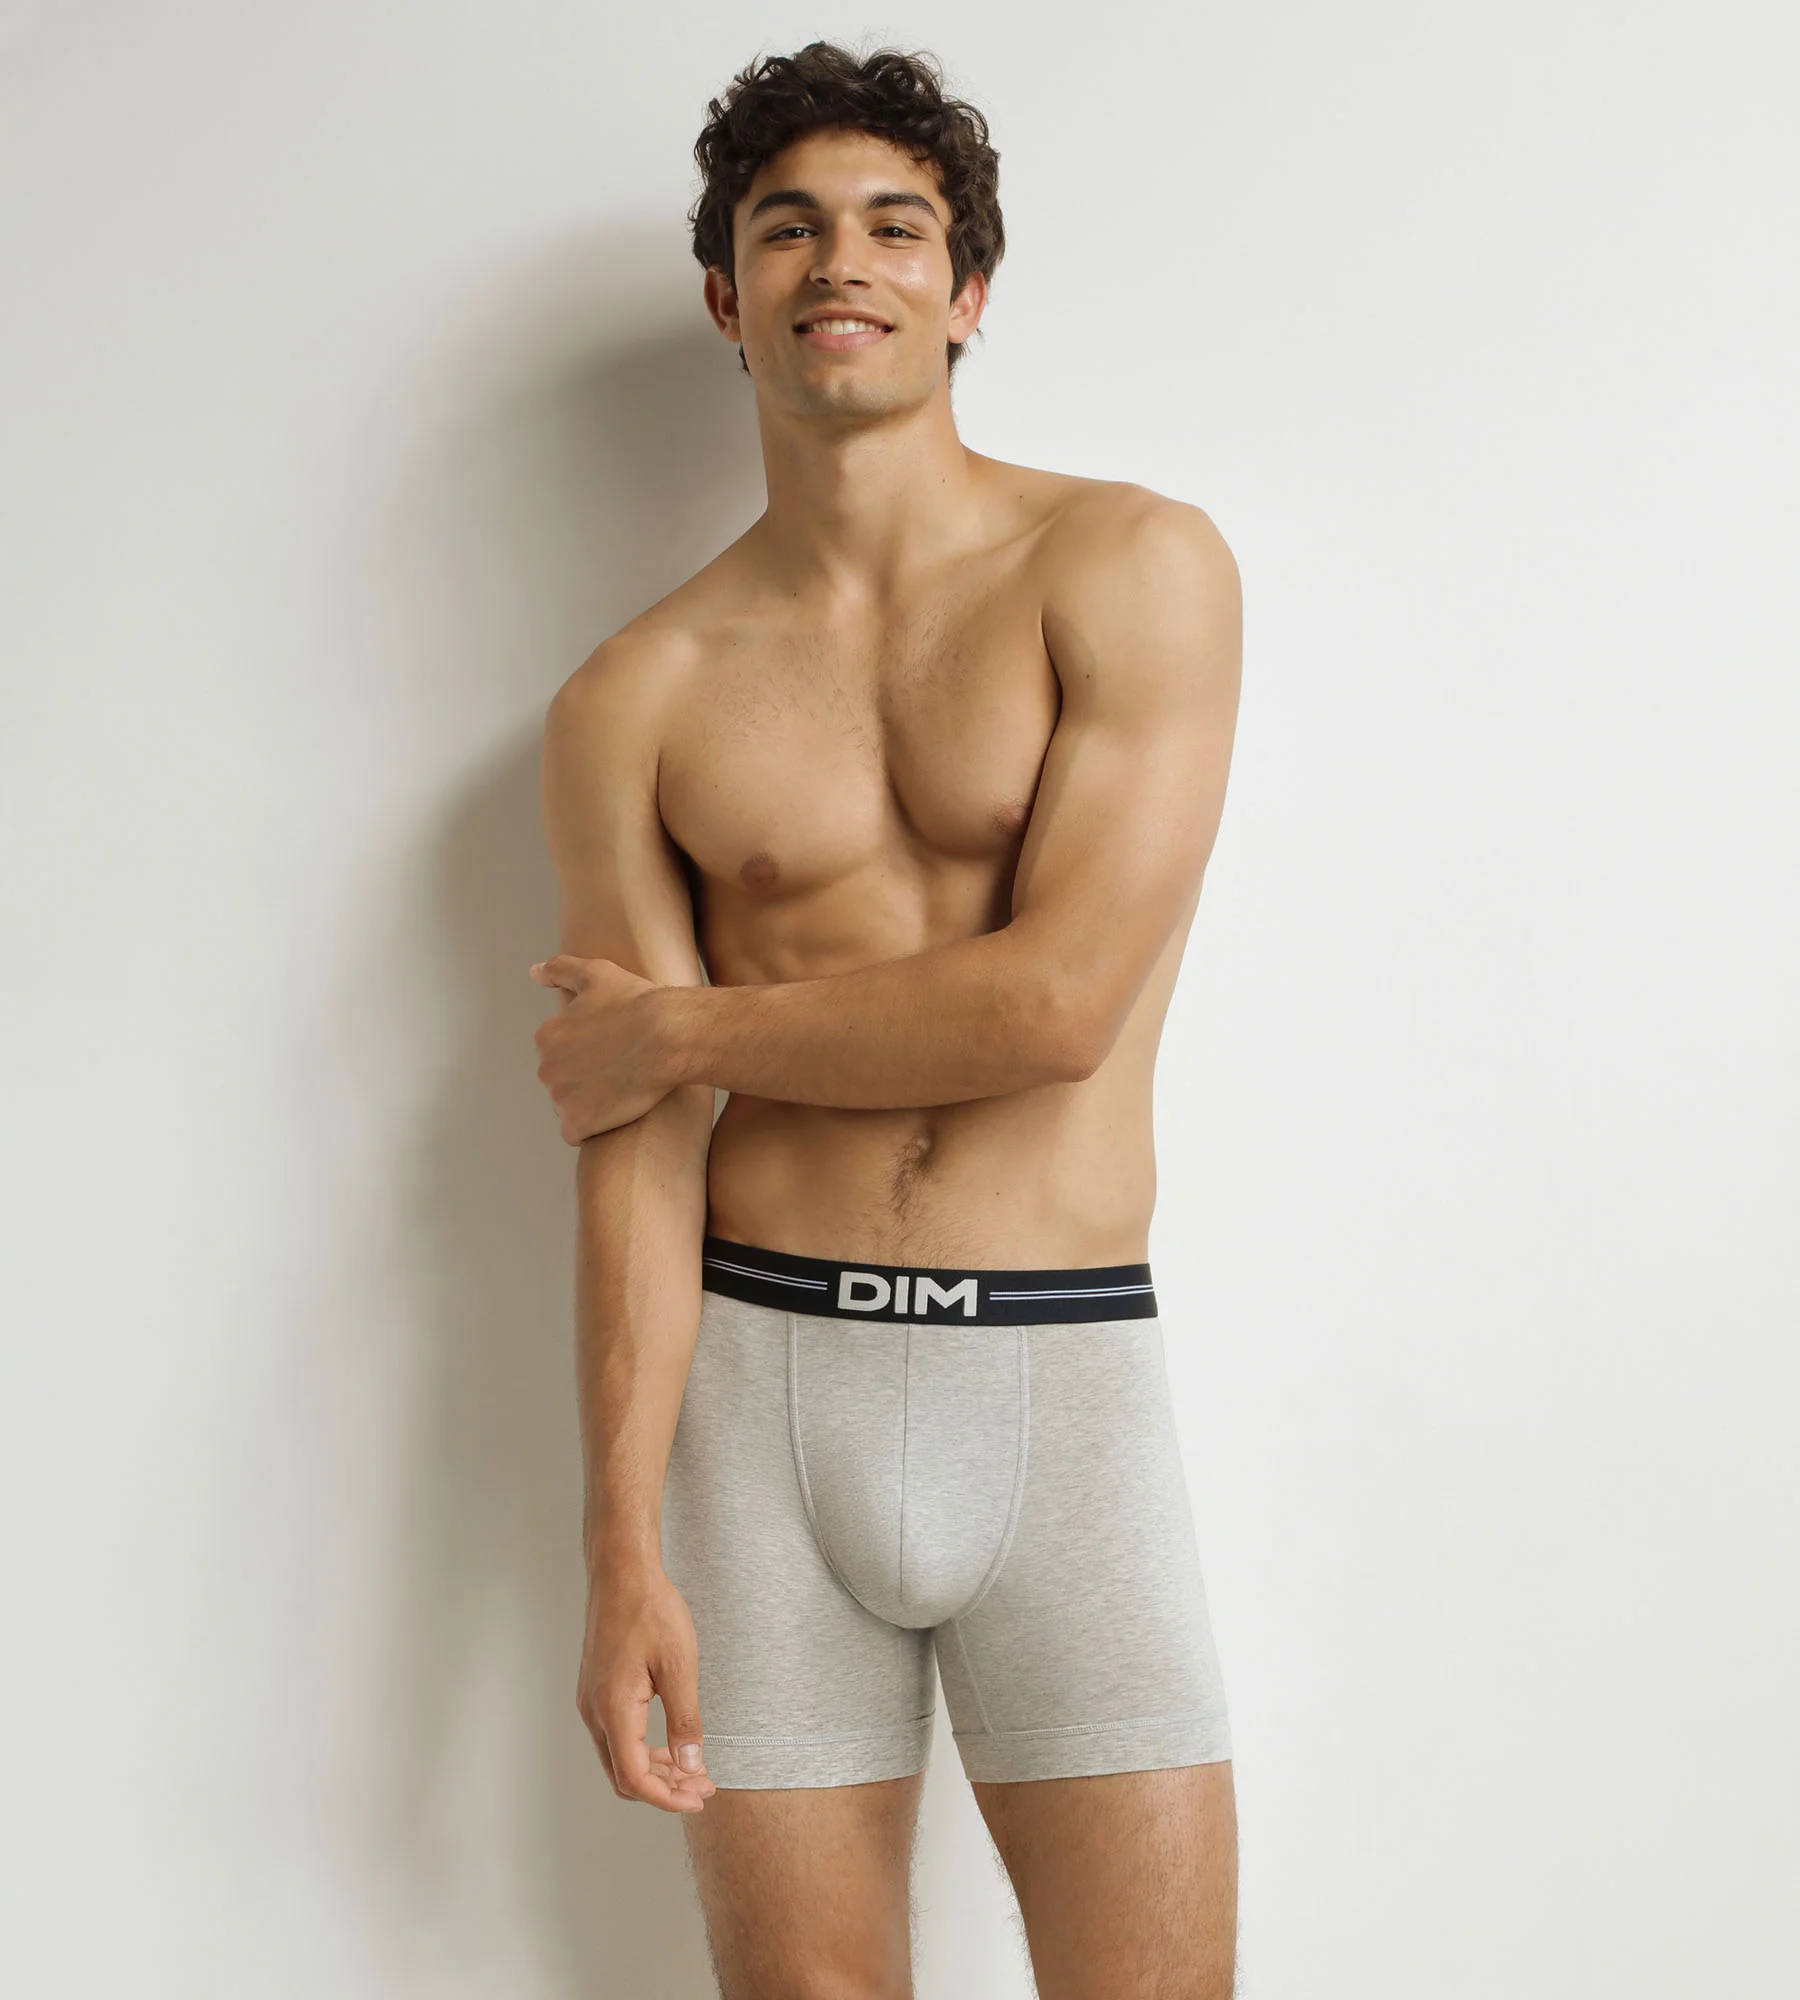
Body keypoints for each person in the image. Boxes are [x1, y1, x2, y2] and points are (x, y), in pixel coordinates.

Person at [529, 42, 1244, 2000]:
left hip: (1056, 1378)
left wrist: (687, 1031)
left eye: (894, 227)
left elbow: (1056, 1004)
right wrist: (618, 1544)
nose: (840, 262)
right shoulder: (632, 697)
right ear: (726, 295)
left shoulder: (1129, 564)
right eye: (788, 229)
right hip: (760, 1404)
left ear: (967, 289)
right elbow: (629, 1144)